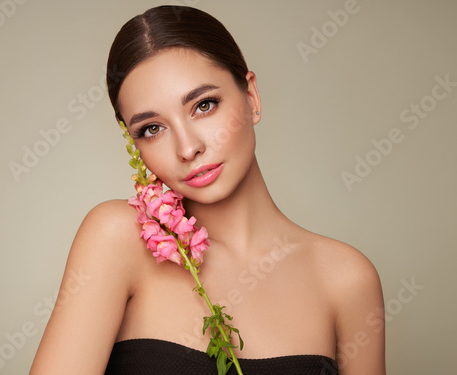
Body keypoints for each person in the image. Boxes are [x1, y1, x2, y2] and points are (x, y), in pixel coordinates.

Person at [30, 5, 385, 375]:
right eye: (152, 128)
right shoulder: (117, 237)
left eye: (204, 105)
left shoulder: (346, 279)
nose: (187, 148)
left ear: (251, 97)